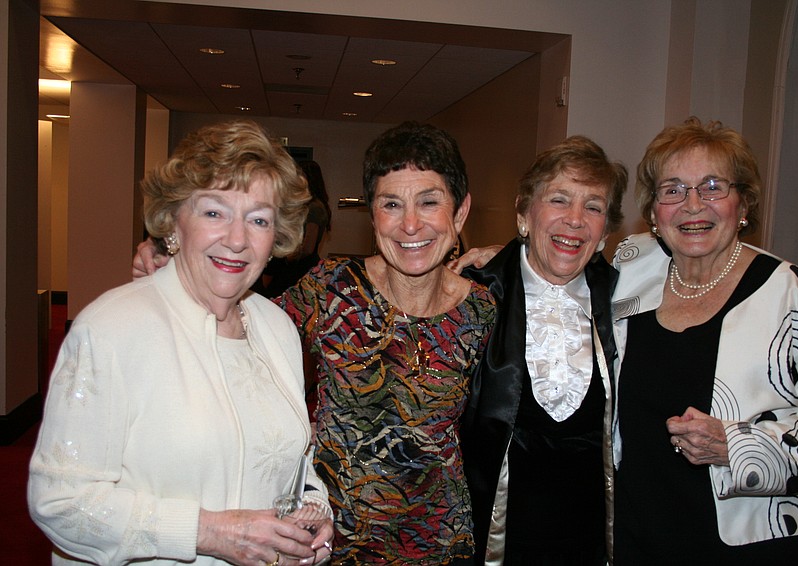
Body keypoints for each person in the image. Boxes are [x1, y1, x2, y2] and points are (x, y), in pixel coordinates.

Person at [132, 121, 497, 564]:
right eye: (391, 204)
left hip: (438, 540)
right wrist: (171, 257)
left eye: (429, 202)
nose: (410, 224)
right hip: (328, 538)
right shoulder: (333, 288)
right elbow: (236, 324)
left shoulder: (484, 309)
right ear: (372, 214)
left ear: (459, 214)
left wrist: (516, 254)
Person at [29, 119, 334, 566]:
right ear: (173, 220)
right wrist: (212, 533)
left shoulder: (276, 327)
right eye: (214, 212)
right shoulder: (112, 329)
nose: (237, 239)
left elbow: (293, 459)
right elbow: (59, 503)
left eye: (258, 220)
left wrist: (313, 510)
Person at [610, 117, 798, 564]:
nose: (692, 205)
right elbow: (562, 269)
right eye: (673, 189)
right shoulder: (630, 270)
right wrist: (503, 260)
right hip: (635, 531)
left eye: (713, 186)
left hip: (754, 541)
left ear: (743, 204)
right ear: (655, 213)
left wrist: (739, 446)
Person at [458, 136, 627, 564]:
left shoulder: (625, 302)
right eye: (559, 200)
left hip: (591, 539)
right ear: (524, 213)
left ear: (606, 230)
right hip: (492, 538)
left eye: (593, 207)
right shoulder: (473, 298)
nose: (575, 220)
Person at [261, 160, 331, 299]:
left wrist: (286, 259)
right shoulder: (306, 205)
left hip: (300, 267)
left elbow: (307, 248)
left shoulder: (314, 208)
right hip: (296, 264)